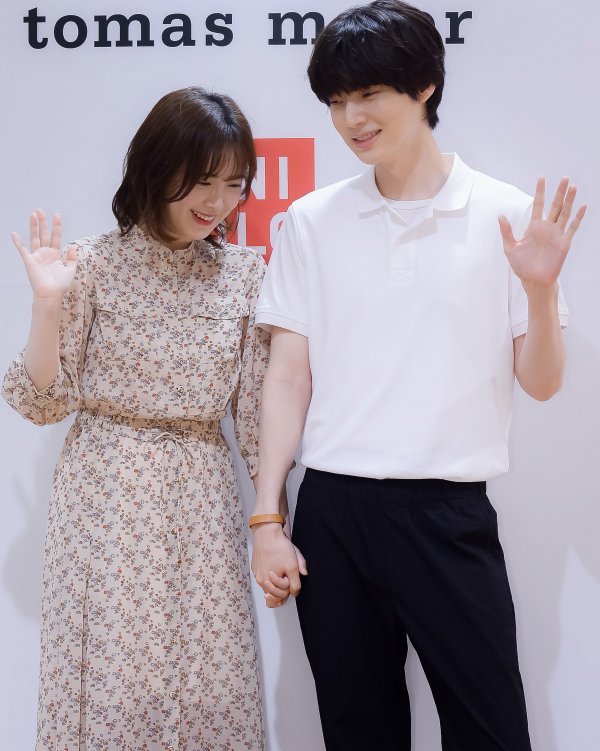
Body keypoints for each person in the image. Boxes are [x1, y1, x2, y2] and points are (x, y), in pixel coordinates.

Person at [248, 2, 586, 749]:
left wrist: (538, 291)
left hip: (447, 514)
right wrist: (268, 519)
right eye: (337, 100)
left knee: (492, 731)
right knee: (357, 730)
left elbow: (541, 383)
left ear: (426, 85)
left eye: (369, 94)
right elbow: (288, 379)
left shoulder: (505, 215)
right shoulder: (310, 220)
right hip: (333, 513)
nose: (352, 118)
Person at [3, 86, 269, 750]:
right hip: (106, 495)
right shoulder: (91, 263)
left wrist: (273, 522)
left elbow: (257, 419)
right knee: (113, 689)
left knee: (210, 683)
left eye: (234, 184)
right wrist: (46, 306)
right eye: (202, 180)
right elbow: (41, 401)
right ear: (158, 168)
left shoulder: (244, 273)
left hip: (201, 498)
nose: (218, 201)